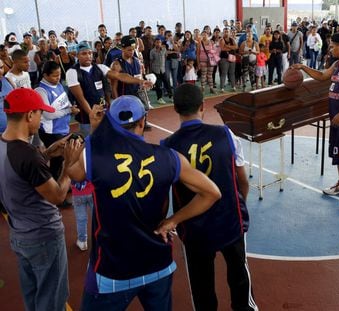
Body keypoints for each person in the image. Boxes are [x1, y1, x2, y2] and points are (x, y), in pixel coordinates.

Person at [64, 95, 221, 310]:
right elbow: (212, 192)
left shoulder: (94, 155)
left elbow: (75, 173)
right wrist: (173, 220)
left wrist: (94, 131)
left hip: (112, 271)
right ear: (143, 120)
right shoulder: (170, 157)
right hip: (158, 265)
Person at [162, 84, 258, 311]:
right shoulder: (226, 134)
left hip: (194, 227)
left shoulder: (167, 147)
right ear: (203, 105)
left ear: (175, 108)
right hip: (229, 220)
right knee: (239, 273)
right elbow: (242, 180)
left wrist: (171, 220)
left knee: (201, 282)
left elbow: (165, 195)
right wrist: (238, 204)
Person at [0, 88, 82, 311]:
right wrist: (68, 164)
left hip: (19, 234)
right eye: (39, 113)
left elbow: (19, 171)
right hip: (43, 236)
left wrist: (46, 154)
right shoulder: (27, 155)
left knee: (33, 295)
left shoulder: (6, 145)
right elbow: (57, 195)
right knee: (52, 299)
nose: (41, 118)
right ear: (29, 115)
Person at [292, 32, 339, 210]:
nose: (330, 48)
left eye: (333, 46)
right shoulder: (337, 64)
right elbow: (321, 76)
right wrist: (303, 67)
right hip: (337, 118)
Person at [67, 41, 151, 137]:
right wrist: (92, 115)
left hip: (102, 113)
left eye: (90, 53)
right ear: (77, 55)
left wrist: (140, 81)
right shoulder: (72, 72)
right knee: (89, 142)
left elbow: (120, 75)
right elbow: (80, 98)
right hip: (86, 118)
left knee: (105, 141)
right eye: (84, 53)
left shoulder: (99, 67)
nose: (88, 56)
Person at [35, 61, 79, 180]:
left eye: (59, 74)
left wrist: (71, 107)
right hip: (51, 131)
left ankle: (56, 182)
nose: (58, 77)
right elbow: (48, 114)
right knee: (58, 159)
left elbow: (65, 99)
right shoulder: (41, 91)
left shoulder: (58, 84)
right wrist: (68, 111)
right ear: (45, 75)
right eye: (55, 75)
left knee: (60, 159)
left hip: (62, 128)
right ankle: (53, 184)